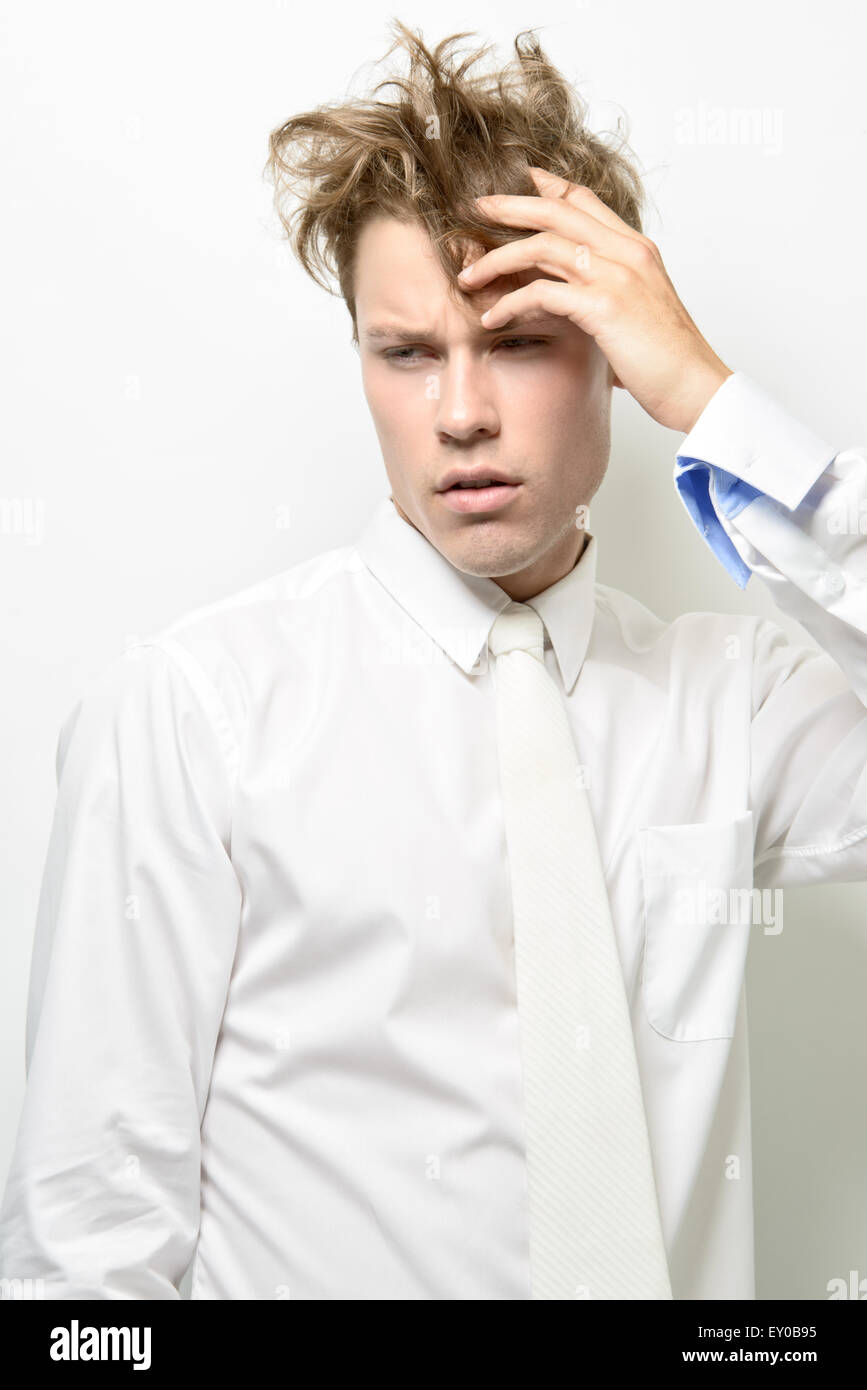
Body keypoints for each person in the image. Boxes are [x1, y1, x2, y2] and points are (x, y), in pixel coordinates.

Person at [1, 20, 865, 1301]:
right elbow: (85, 1251)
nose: (460, 413)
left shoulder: (736, 705)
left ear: (615, 359)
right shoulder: (197, 711)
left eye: (519, 341)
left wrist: (712, 399)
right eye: (407, 352)